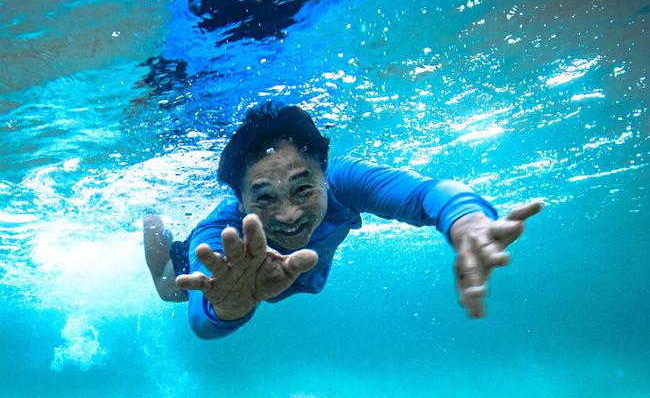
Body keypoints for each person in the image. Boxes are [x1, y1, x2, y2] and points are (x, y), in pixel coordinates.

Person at [143, 101, 542, 339]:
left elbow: (425, 193)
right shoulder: (221, 235)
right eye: (264, 199)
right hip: (226, 271)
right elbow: (201, 318)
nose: (289, 214)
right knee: (167, 287)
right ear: (240, 200)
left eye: (303, 189)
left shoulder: (344, 180)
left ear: (324, 172)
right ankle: (149, 212)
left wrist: (467, 222)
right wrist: (227, 307)